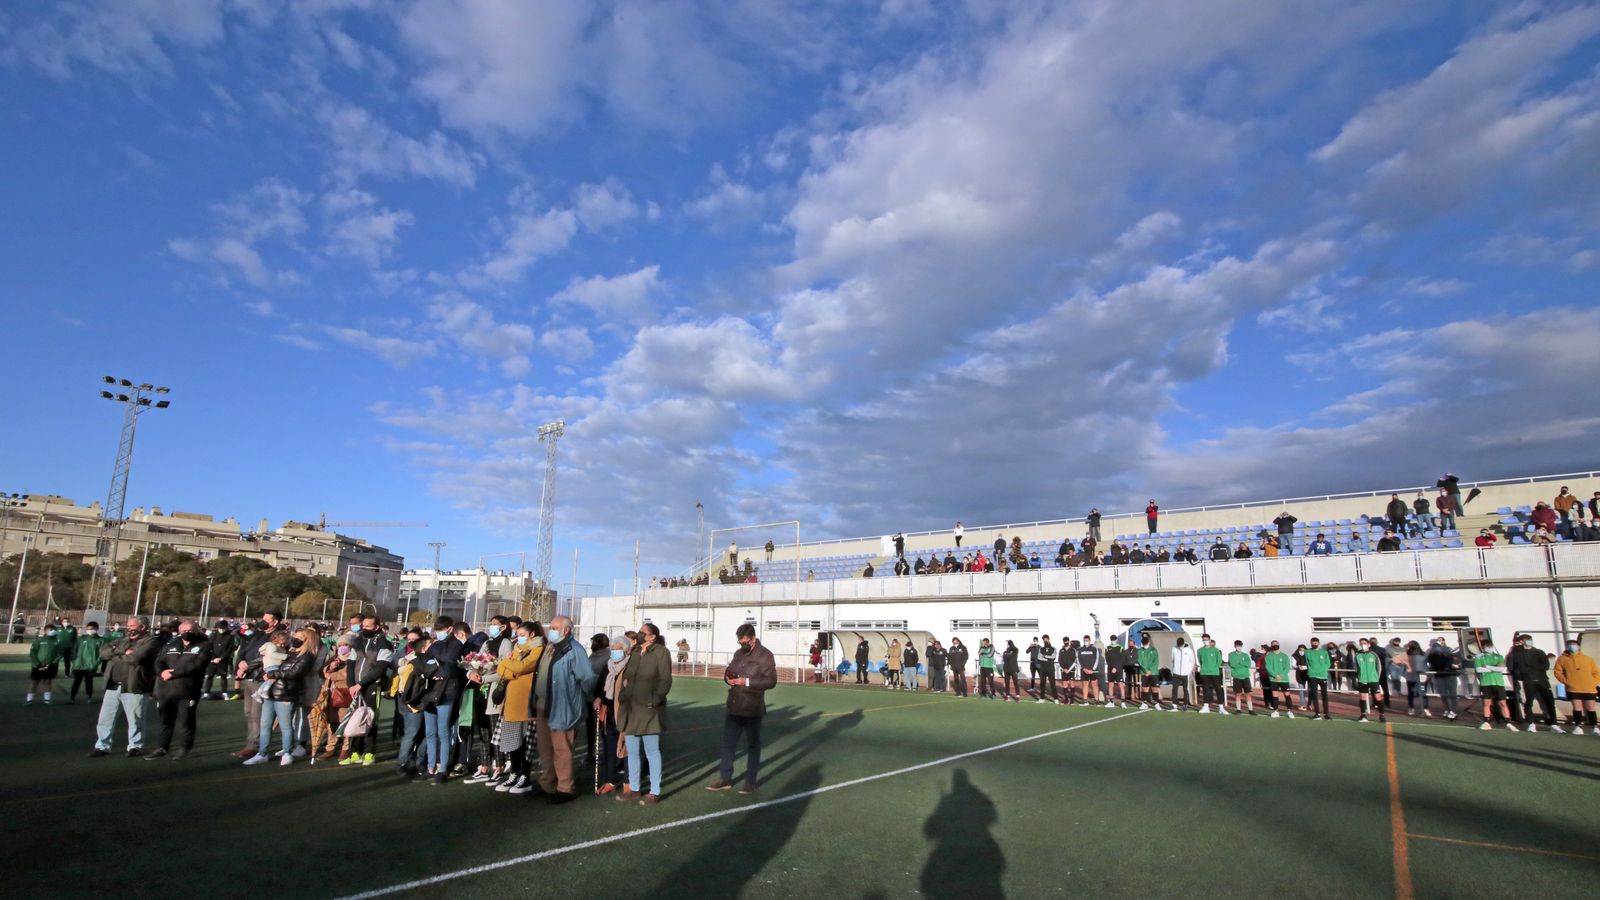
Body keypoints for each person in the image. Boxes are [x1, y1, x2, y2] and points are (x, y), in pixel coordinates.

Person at [707, 623, 776, 796]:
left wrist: (747, 682)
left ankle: (750, 782)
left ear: (753, 639)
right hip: (734, 705)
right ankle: (725, 779)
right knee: (728, 744)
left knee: (753, 745)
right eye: (740, 642)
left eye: (745, 642)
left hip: (752, 706)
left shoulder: (766, 655)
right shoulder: (738, 654)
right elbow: (729, 670)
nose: (742, 645)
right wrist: (728, 678)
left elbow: (771, 681)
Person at [533, 616, 596, 802]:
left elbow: (587, 678)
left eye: (555, 627)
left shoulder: (575, 650)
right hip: (543, 704)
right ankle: (548, 784)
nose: (551, 630)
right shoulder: (550, 647)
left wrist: (578, 699)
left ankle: (565, 788)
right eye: (551, 627)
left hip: (563, 707)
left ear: (566, 630)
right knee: (545, 748)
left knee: (562, 749)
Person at [615, 622, 672, 805]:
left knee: (652, 751)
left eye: (642, 632)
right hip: (631, 709)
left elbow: (665, 680)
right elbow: (627, 675)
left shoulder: (661, 653)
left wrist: (653, 701)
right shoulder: (635, 651)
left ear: (652, 636)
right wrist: (623, 695)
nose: (639, 635)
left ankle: (654, 791)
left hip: (648, 710)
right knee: (632, 752)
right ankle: (634, 789)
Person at [244, 628, 317, 766]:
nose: (295, 639)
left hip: (286, 694)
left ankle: (287, 753)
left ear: (307, 640)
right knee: (265, 724)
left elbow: (295, 672)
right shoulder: (288, 653)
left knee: (286, 726)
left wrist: (272, 674)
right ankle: (262, 753)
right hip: (271, 692)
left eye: (300, 637)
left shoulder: (306, 657)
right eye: (295, 636)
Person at [89, 617, 161, 758]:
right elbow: (103, 652)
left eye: (132, 625)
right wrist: (122, 652)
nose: (128, 628)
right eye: (128, 625)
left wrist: (115, 654)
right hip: (113, 685)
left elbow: (134, 658)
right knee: (105, 719)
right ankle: (102, 746)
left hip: (134, 686)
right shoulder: (123, 640)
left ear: (142, 627)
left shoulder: (151, 642)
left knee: (135, 719)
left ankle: (135, 746)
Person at [148, 620, 209, 759]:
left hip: (188, 690)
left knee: (186, 721)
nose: (187, 633)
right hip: (166, 690)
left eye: (190, 630)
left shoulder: (204, 644)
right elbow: (159, 661)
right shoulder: (171, 643)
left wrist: (174, 673)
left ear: (196, 630)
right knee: (165, 721)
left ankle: (185, 748)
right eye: (184, 631)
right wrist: (162, 672)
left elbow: (198, 665)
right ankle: (162, 747)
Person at [591, 632, 627, 795]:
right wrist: (598, 698)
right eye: (613, 649)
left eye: (618, 649)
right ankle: (610, 779)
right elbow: (600, 687)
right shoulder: (608, 665)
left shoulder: (630, 666)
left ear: (626, 651)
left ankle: (628, 781)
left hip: (625, 713)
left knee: (626, 748)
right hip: (609, 713)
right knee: (609, 747)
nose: (614, 652)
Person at [1510, 633, 1560, 732]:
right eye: (1526, 640)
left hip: (1542, 681)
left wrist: (1533, 667)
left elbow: (1546, 666)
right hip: (1528, 681)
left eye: (1530, 640)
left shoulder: (1539, 652)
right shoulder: (1517, 653)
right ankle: (1531, 723)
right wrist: (1523, 673)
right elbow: (1516, 665)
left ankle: (1554, 724)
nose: (1529, 642)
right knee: (1528, 703)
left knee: (1550, 702)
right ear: (1522, 642)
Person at [1553, 639, 1599, 735]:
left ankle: (1594, 727)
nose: (1572, 646)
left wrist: (1593, 682)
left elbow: (1596, 672)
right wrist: (1567, 681)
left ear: (1578, 647)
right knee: (1577, 707)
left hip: (1589, 688)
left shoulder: (1588, 659)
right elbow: (1557, 672)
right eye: (1569, 645)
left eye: (1574, 645)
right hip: (1573, 688)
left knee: (1590, 708)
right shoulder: (1562, 659)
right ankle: (1578, 726)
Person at [1472, 639, 1516, 731]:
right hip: (1486, 682)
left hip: (1498, 682)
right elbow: (1479, 669)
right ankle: (1486, 722)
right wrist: (1494, 668)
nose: (1489, 648)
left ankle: (1508, 722)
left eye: (1490, 646)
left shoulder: (1498, 656)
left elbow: (1501, 669)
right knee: (1487, 702)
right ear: (1483, 647)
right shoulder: (1479, 657)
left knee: (1503, 703)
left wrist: (1487, 667)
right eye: (1487, 646)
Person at [69, 621, 107, 703]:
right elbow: (74, 651)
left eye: (91, 629)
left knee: (89, 682)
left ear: (96, 629)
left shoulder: (101, 640)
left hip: (90, 666)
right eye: (88, 629)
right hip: (79, 665)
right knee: (76, 681)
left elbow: (102, 654)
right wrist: (74, 662)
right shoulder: (81, 639)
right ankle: (72, 697)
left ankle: (89, 697)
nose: (89, 630)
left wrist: (95, 663)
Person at [1426, 638, 1461, 720]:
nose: (1436, 649)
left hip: (1450, 675)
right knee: (1443, 694)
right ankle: (1447, 709)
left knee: (1452, 694)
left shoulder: (1449, 651)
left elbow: (1456, 662)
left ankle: (1453, 711)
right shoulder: (1431, 656)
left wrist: (1453, 663)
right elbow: (1433, 665)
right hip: (1440, 676)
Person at [27, 624, 62, 705]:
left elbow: (59, 654)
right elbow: (33, 653)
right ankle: (29, 700)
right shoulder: (39, 640)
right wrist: (37, 665)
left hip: (51, 666)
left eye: (54, 630)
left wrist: (52, 663)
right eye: (51, 630)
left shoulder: (57, 641)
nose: (53, 631)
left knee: (48, 681)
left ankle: (47, 700)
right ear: (45, 631)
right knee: (35, 682)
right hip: (38, 666)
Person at [203, 619, 238, 700]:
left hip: (223, 661)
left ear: (226, 627)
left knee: (223, 677)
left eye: (223, 628)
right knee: (210, 676)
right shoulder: (213, 635)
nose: (221, 630)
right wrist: (213, 658)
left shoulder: (230, 636)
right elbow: (208, 647)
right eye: (220, 628)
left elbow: (229, 649)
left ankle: (224, 693)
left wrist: (221, 658)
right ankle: (206, 693)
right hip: (212, 660)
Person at [1354, 639, 1386, 723]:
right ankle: (1363, 715)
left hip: (1373, 679)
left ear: (1369, 645)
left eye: (1365, 643)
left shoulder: (1374, 655)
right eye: (1361, 643)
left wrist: (1376, 677)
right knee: (1362, 697)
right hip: (1362, 679)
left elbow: (1379, 667)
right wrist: (1359, 676)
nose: (1363, 645)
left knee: (1378, 697)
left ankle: (1382, 715)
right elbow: (1356, 667)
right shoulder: (1357, 655)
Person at [1264, 642, 1293, 718]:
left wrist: (1281, 675)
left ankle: (1290, 711)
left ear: (1279, 645)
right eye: (1273, 644)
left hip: (1284, 679)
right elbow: (1268, 667)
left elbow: (1287, 667)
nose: (1275, 645)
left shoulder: (1284, 656)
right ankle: (1276, 711)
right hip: (1273, 679)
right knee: (1275, 695)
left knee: (1287, 695)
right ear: (1271, 646)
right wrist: (1275, 675)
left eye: (1276, 644)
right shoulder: (1268, 656)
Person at [1304, 638, 1331, 720]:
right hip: (1313, 676)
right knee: (1314, 695)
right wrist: (1311, 670)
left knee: (1324, 695)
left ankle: (1326, 714)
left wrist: (1322, 670)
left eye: (1316, 643)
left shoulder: (1324, 652)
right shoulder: (1307, 652)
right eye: (1313, 643)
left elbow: (1328, 663)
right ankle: (1317, 713)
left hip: (1323, 676)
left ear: (1318, 643)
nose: (1314, 644)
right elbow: (1306, 663)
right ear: (1310, 643)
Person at [1196, 636, 1223, 713]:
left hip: (1214, 673)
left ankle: (1221, 707)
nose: (1205, 641)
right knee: (1206, 690)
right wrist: (1204, 668)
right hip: (1204, 672)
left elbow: (1219, 661)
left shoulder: (1216, 650)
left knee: (1218, 689)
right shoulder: (1200, 650)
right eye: (1204, 640)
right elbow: (1200, 661)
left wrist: (1214, 668)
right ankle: (1206, 706)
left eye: (1207, 640)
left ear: (1210, 640)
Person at [1168, 637, 1195, 710]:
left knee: (1185, 689)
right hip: (1176, 673)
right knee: (1174, 689)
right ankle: (1174, 704)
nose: (1179, 646)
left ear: (1183, 643)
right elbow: (1172, 659)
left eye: (1180, 644)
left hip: (1185, 674)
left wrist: (1188, 671)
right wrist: (1174, 669)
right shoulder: (1174, 649)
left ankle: (1185, 704)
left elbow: (1192, 661)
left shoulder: (1189, 650)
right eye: (1178, 644)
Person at [1227, 640, 1254, 715]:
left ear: (1242, 646)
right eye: (1237, 646)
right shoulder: (1231, 654)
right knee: (1238, 694)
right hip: (1236, 677)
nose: (1239, 647)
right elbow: (1232, 664)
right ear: (1234, 646)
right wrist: (1243, 665)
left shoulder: (1245, 655)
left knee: (1248, 694)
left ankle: (1250, 710)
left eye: (1240, 646)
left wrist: (1240, 662)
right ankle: (1238, 709)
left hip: (1245, 677)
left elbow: (1248, 664)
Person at [1075, 636, 1102, 707]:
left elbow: (1097, 659)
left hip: (1093, 671)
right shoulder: (1080, 649)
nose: (1086, 642)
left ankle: (1096, 701)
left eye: (1087, 640)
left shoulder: (1094, 649)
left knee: (1094, 684)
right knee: (1085, 685)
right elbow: (1078, 659)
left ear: (1090, 641)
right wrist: (1083, 668)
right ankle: (1085, 701)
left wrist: (1092, 669)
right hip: (1084, 670)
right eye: (1084, 640)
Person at [1103, 636, 1128, 708]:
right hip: (1110, 670)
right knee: (1110, 685)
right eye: (1111, 640)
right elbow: (1107, 659)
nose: (1113, 641)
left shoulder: (1120, 648)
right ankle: (1111, 702)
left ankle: (1123, 702)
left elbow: (1122, 659)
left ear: (1116, 640)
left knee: (1121, 685)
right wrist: (1112, 668)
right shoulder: (1107, 648)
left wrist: (1116, 668)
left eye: (1114, 639)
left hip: (1119, 670)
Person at [1137, 635, 1161, 709]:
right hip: (1144, 673)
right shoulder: (1140, 651)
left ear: (1149, 642)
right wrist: (1146, 671)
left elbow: (1156, 661)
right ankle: (1144, 703)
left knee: (1154, 688)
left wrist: (1150, 670)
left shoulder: (1154, 650)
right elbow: (1140, 661)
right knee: (1145, 688)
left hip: (1153, 673)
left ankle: (1156, 704)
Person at [1036, 636, 1057, 703]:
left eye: (1046, 639)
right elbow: (1039, 657)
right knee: (1042, 684)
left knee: (1052, 684)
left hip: (1050, 668)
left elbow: (1054, 657)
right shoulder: (1041, 649)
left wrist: (1045, 656)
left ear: (1048, 639)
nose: (1045, 641)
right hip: (1043, 669)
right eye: (1044, 640)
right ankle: (1042, 698)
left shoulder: (1053, 648)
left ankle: (1056, 699)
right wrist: (1048, 658)